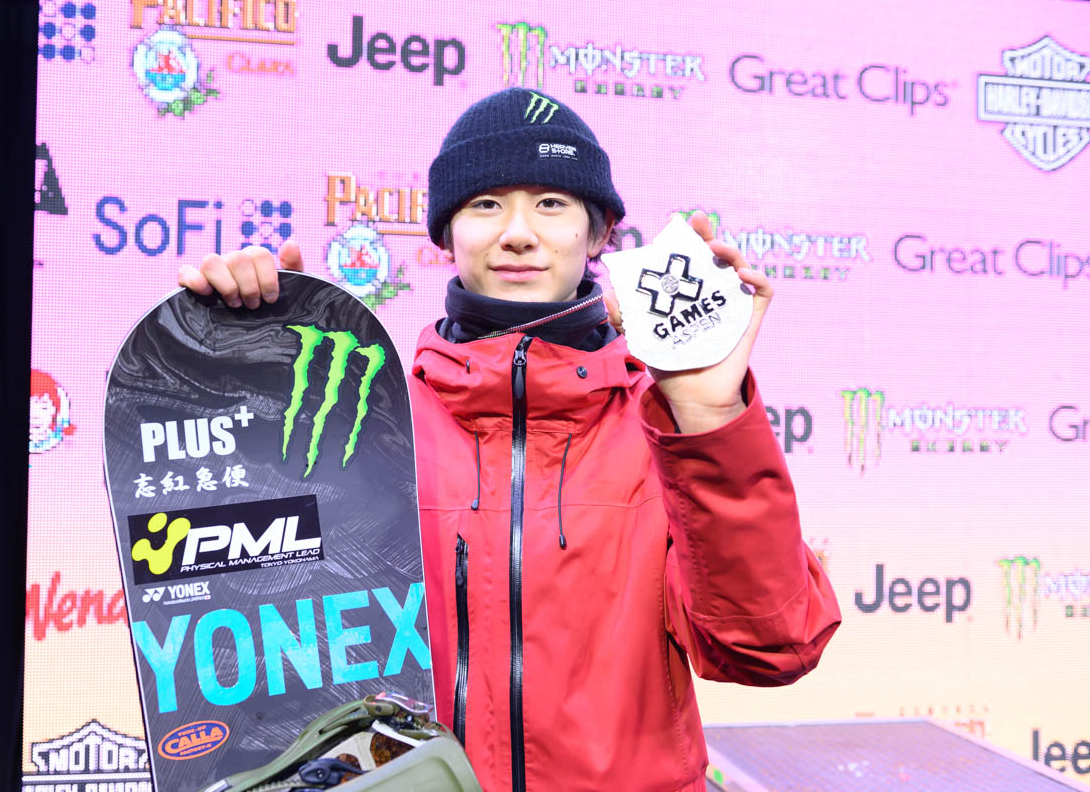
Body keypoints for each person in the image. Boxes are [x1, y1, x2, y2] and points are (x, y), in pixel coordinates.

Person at [178, 88, 841, 792]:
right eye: (486, 204)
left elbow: (771, 649)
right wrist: (241, 380)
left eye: (551, 203)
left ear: (599, 234)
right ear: (447, 236)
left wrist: (708, 418)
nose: (518, 233)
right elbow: (252, 643)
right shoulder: (363, 428)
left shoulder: (665, 435)